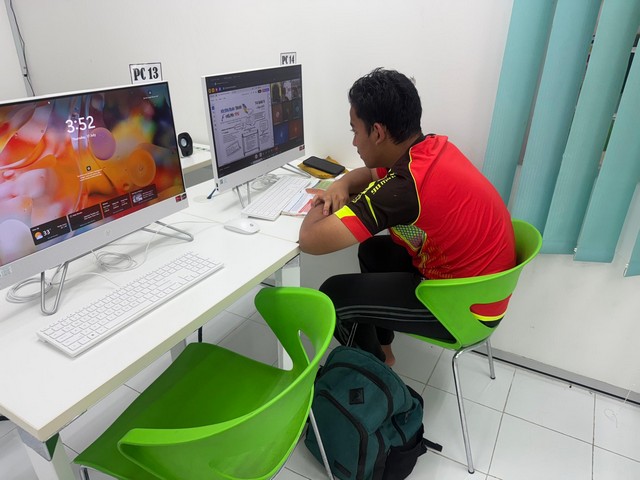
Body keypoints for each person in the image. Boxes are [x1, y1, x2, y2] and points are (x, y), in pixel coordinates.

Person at [298, 68, 515, 366]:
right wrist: (341, 184)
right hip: (484, 287)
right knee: (373, 251)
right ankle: (384, 353)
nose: (354, 143)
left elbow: (310, 240)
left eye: (354, 131)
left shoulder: (404, 187)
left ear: (377, 132)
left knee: (334, 296)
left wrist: (320, 199)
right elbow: (369, 175)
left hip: (465, 307)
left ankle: (374, 373)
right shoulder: (428, 149)